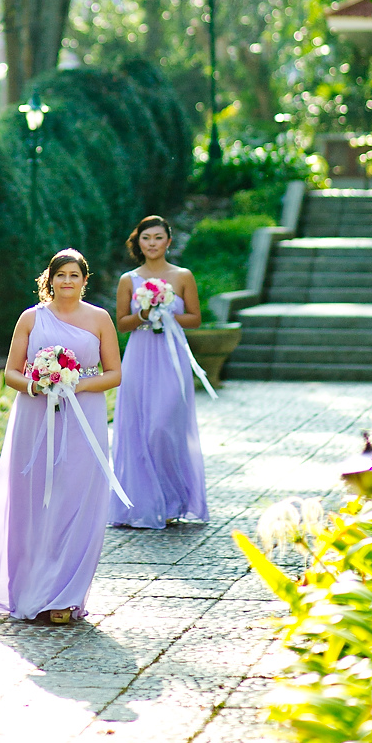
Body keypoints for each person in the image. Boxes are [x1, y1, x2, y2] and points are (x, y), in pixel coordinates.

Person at [0, 248, 122, 625]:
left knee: (75, 500)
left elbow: (114, 373)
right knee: (34, 500)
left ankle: (65, 595)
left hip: (83, 416)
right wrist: (38, 385)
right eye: (60, 274)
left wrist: (75, 384)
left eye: (74, 275)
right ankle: (30, 590)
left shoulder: (100, 318)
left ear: (85, 280)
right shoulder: (31, 318)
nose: (67, 281)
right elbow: (11, 372)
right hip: (35, 417)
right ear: (49, 280)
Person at [109, 214, 208, 531]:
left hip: (171, 358)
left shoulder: (182, 276)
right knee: (138, 429)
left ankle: (173, 500)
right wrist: (145, 313)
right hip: (139, 358)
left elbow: (195, 318)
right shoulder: (129, 279)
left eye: (158, 237)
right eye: (146, 238)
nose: (152, 243)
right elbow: (122, 324)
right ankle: (143, 504)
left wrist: (166, 313)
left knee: (162, 427)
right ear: (138, 242)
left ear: (168, 241)